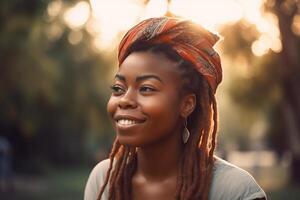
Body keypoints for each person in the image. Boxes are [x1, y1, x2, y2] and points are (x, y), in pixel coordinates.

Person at [84, 17, 267, 200]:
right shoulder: (104, 182)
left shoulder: (235, 191)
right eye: (118, 88)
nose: (124, 100)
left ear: (187, 105)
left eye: (146, 88)